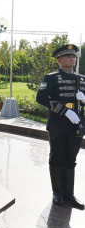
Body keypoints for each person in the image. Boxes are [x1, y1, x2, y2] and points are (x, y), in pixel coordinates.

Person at [36, 43, 85, 209]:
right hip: (58, 123)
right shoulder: (51, 77)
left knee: (71, 159)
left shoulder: (81, 79)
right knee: (57, 158)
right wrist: (64, 111)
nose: (72, 58)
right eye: (68, 56)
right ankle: (57, 192)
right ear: (59, 59)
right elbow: (41, 97)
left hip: (77, 123)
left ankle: (69, 193)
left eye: (74, 56)